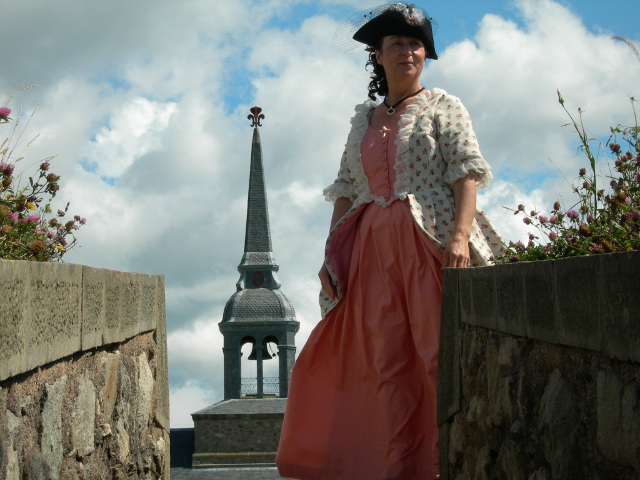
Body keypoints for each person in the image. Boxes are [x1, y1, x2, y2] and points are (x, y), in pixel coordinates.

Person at [276, 3, 502, 479]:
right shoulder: (362, 120)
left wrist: (459, 238)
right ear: (377, 56)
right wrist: (330, 254)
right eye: (396, 44)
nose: (408, 51)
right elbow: (345, 190)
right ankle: (394, 467)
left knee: (436, 354)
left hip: (429, 244)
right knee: (384, 365)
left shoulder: (444, 107)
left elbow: (466, 176)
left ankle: (443, 464)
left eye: (416, 44)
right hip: (370, 256)